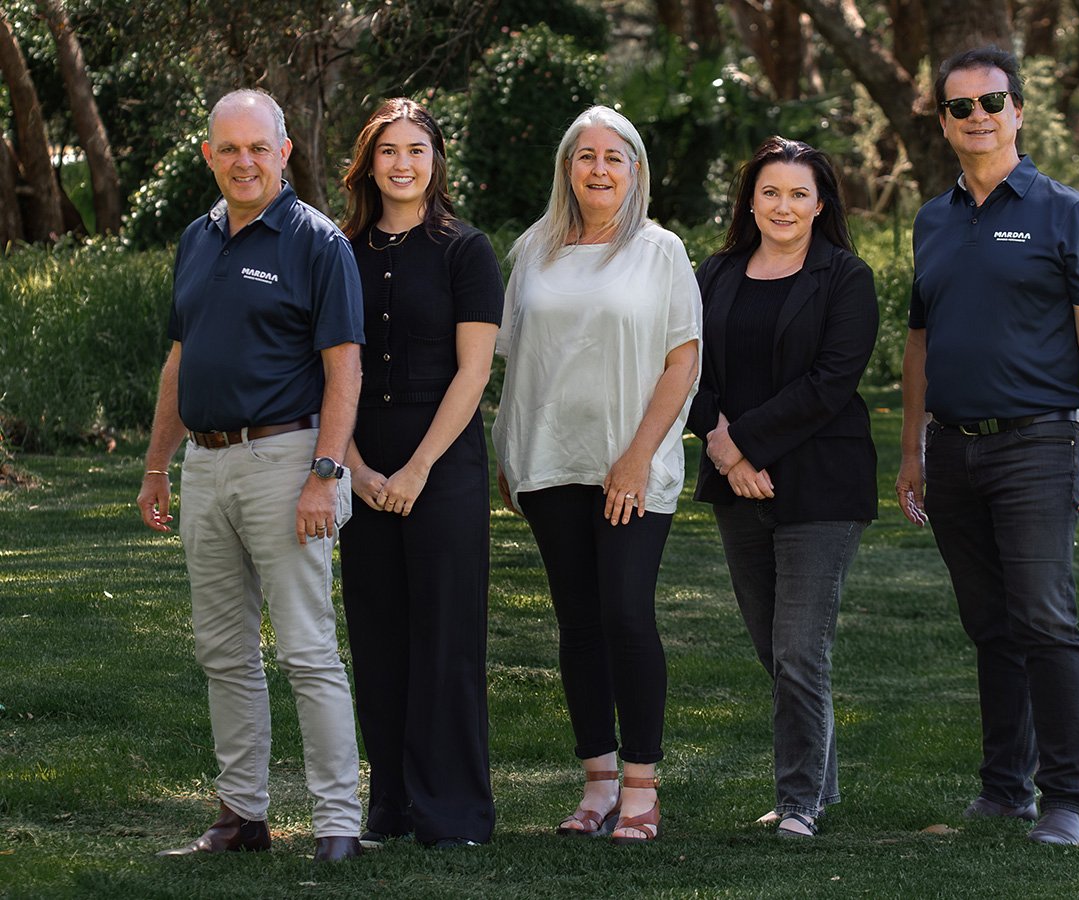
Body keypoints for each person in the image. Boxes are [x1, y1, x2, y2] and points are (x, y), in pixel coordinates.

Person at [896, 46, 1079, 847]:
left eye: (991, 102)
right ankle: (1003, 790)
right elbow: (919, 346)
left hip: (1038, 443)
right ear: (944, 123)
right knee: (989, 624)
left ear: (1018, 110)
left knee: (1042, 619)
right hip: (953, 451)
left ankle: (1068, 798)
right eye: (959, 108)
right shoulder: (932, 219)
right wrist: (911, 451)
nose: (977, 117)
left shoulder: (1067, 212)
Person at [136, 89, 365, 861]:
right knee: (222, 651)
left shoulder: (317, 242)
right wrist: (157, 465)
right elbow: (180, 357)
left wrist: (325, 476)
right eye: (229, 149)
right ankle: (242, 817)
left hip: (287, 461)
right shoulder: (197, 240)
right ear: (209, 155)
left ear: (284, 152)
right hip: (204, 465)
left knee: (306, 650)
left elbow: (345, 372)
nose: (244, 162)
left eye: (258, 148)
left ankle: (337, 822)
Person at [492, 105, 701, 845]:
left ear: (635, 170)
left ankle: (642, 787)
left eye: (616, 156)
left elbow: (683, 359)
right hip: (549, 462)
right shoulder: (533, 251)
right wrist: (505, 451)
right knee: (578, 623)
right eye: (586, 156)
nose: (600, 169)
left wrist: (638, 455)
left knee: (624, 611)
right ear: (567, 168)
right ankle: (599, 781)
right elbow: (516, 362)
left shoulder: (661, 251)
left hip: (631, 466)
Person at [687, 137, 879, 838]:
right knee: (776, 649)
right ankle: (818, 786)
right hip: (739, 484)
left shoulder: (845, 277)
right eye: (770, 192)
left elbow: (831, 383)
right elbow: (685, 368)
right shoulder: (715, 273)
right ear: (750, 201)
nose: (784, 206)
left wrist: (743, 441)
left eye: (799, 194)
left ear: (820, 203)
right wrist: (723, 448)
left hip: (823, 486)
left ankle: (797, 801)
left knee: (801, 648)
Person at [336, 98, 502, 848]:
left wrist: (415, 470)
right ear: (369, 164)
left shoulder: (468, 251)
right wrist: (360, 470)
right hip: (361, 458)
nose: (403, 163)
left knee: (447, 635)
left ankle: (455, 814)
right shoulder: (340, 251)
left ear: (437, 161)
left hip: (445, 460)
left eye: (417, 150)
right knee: (377, 635)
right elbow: (330, 368)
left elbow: (474, 374)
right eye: (388, 151)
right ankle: (391, 808)